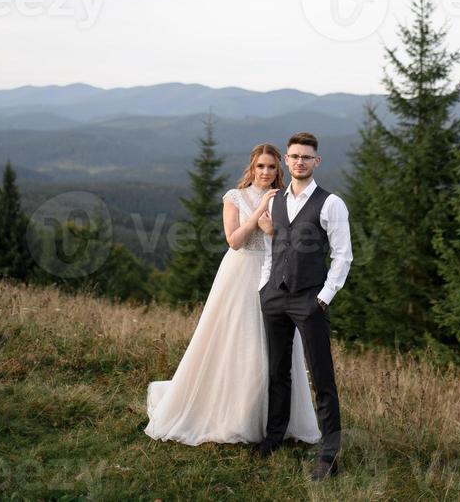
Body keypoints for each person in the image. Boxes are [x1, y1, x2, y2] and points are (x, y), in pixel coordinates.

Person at [145, 143, 321, 445]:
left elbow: (290, 240)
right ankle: (232, 416)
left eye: (271, 167)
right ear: (251, 168)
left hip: (273, 274)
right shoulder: (235, 197)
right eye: (260, 166)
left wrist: (273, 230)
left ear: (279, 169)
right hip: (239, 276)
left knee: (274, 349)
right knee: (239, 344)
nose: (266, 172)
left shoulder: (285, 198)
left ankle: (275, 421)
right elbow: (234, 241)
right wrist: (256, 216)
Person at [257, 132, 352, 482]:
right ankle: (274, 435)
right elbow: (273, 247)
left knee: (322, 377)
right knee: (278, 371)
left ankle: (329, 454)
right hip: (275, 297)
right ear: (286, 159)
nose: (300, 162)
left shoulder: (331, 204)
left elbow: (343, 256)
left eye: (306, 157)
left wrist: (323, 298)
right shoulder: (274, 201)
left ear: (317, 162)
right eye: (294, 156)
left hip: (311, 299)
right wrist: (265, 288)